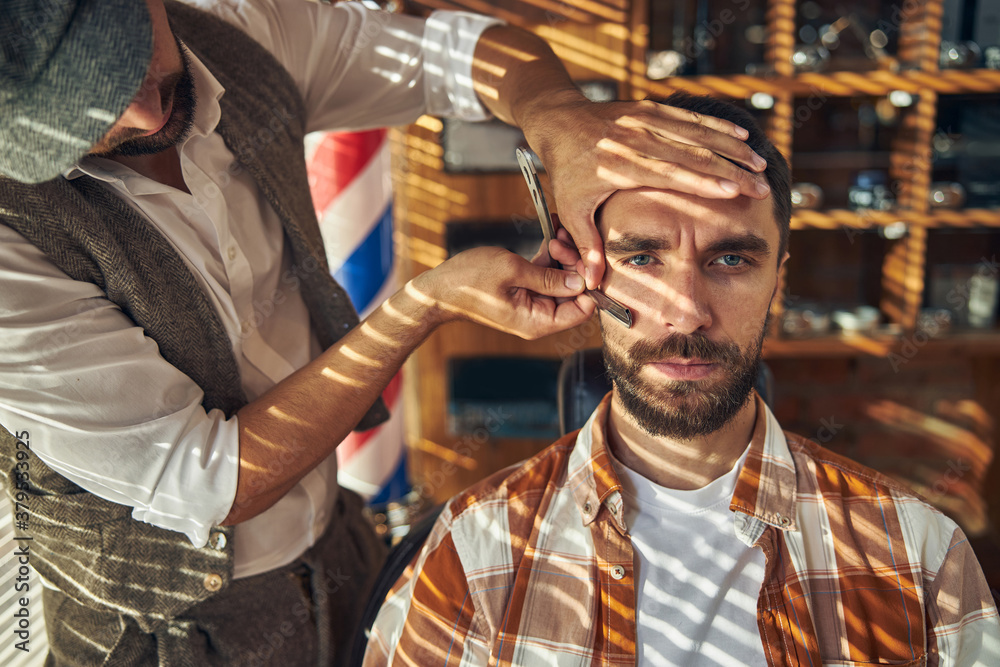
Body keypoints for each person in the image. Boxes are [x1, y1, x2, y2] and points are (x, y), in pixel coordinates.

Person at [0, 1, 776, 665]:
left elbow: (457, 52)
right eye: (85, 116)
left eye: (134, 66)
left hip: (334, 536)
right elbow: (209, 478)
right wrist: (422, 305)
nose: (141, 115)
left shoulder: (242, 34)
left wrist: (558, 119)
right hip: (166, 623)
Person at [364, 92, 1000, 666]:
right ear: (585, 273)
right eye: (641, 257)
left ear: (778, 277)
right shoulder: (474, 554)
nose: (687, 310)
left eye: (731, 259)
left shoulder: (917, 555)